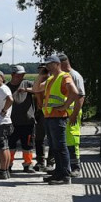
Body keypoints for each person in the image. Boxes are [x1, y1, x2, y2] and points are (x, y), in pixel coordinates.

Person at [40, 54, 80, 184]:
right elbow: (36, 88)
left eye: (50, 64)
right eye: (46, 64)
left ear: (57, 64)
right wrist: (41, 74)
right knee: (55, 147)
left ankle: (65, 176)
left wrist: (66, 106)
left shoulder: (64, 77)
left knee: (61, 147)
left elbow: (75, 92)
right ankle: (58, 173)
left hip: (58, 117)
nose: (47, 66)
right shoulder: (51, 79)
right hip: (50, 116)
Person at [58, 53, 85, 176]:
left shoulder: (74, 76)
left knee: (73, 139)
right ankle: (67, 166)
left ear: (62, 63)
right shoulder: (64, 75)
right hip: (66, 112)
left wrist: (74, 114)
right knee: (65, 140)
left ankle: (76, 167)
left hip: (72, 112)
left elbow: (80, 96)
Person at [6, 65, 36, 172]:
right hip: (11, 122)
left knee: (28, 145)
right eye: (18, 75)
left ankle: (28, 165)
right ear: (12, 75)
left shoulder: (27, 83)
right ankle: (8, 165)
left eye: (22, 75)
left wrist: (27, 90)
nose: (21, 77)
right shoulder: (6, 87)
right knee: (10, 145)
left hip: (27, 121)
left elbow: (39, 88)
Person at [32, 64, 49, 171]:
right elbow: (35, 90)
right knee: (39, 138)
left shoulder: (52, 81)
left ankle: (51, 161)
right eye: (40, 70)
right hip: (40, 113)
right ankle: (40, 161)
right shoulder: (38, 81)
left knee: (52, 139)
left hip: (50, 113)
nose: (41, 72)